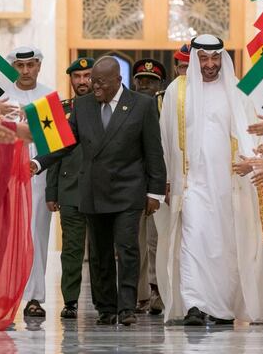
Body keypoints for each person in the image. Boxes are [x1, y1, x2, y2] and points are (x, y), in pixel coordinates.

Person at [32, 56, 166, 326]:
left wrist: (155, 192)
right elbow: (65, 142)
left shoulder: (142, 105)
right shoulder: (83, 106)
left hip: (129, 190)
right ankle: (106, 307)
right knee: (99, 252)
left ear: (118, 80)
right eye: (93, 82)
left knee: (128, 248)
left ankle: (127, 307)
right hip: (93, 190)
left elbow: (154, 151)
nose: (94, 87)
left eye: (100, 83)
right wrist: (38, 162)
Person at [156, 34, 263, 326]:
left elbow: (251, 134)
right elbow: (165, 140)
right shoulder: (177, 91)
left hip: (230, 185)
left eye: (215, 58)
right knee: (192, 238)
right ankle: (195, 304)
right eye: (204, 58)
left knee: (225, 245)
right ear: (194, 59)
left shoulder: (238, 91)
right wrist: (167, 180)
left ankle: (221, 309)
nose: (210, 64)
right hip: (191, 184)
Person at [5, 46, 56, 319]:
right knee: (7, 236)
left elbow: (56, 142)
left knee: (36, 234)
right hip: (6, 175)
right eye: (20, 66)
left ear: (39, 66)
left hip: (38, 175)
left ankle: (35, 298)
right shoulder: (1, 95)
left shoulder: (50, 96)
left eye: (31, 65)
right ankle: (5, 298)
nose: (25, 71)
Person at [45, 57, 94, 319]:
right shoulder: (60, 111)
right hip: (70, 188)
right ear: (71, 80)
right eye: (78, 76)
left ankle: (103, 301)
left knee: (101, 250)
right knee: (72, 250)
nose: (83, 81)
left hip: (100, 190)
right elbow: (53, 155)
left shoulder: (105, 107)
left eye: (87, 76)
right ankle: (71, 301)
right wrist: (51, 192)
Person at [131, 58, 167, 315]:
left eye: (151, 81)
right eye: (141, 80)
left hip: (158, 184)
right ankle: (137, 292)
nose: (145, 85)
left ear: (160, 84)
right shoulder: (126, 106)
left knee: (156, 239)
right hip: (130, 183)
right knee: (132, 241)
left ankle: (156, 289)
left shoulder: (166, 106)